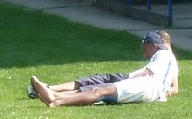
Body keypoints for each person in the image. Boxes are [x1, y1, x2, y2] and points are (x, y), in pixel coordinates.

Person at [30, 30, 179, 107]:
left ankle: (55, 99)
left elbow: (149, 73)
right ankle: (54, 97)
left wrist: (127, 80)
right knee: (100, 92)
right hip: (149, 89)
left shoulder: (163, 54)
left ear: (155, 45)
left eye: (145, 50)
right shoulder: (164, 56)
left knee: (100, 91)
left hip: (147, 87)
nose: (144, 54)